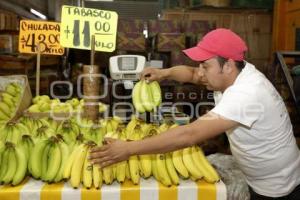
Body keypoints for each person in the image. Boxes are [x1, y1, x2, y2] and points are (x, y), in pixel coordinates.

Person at [89, 28, 300, 199]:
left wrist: (128, 149)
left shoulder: (247, 94)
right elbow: (190, 74)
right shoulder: (233, 72)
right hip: (260, 177)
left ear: (227, 66)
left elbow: (190, 134)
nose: (200, 72)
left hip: (278, 187)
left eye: (205, 66)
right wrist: (164, 73)